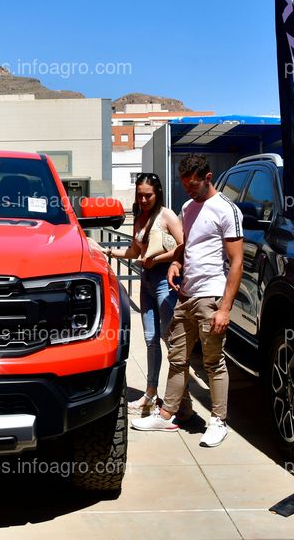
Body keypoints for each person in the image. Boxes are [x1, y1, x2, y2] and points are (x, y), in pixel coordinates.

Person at [131, 154, 244, 448]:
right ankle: (168, 412)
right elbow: (186, 244)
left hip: (212, 295)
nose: (188, 190)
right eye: (184, 185)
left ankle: (219, 421)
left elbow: (236, 262)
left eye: (193, 184)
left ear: (207, 177)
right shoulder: (187, 207)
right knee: (177, 358)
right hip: (186, 294)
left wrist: (225, 309)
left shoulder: (226, 210)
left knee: (212, 362)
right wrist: (176, 264)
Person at [106, 173, 187, 416]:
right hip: (147, 283)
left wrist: (155, 259)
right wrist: (107, 252)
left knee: (171, 341)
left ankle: (180, 400)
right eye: (139, 195)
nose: (143, 199)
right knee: (151, 340)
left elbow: (183, 247)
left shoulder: (167, 215)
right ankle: (150, 394)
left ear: (158, 193)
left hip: (165, 280)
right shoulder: (140, 217)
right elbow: (133, 251)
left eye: (147, 195)